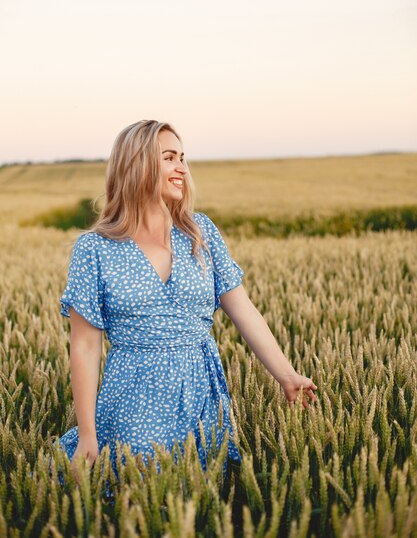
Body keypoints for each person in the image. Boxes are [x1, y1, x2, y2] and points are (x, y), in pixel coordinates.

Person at [55, 119, 317, 486]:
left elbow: (242, 308)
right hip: (134, 394)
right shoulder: (94, 249)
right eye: (169, 157)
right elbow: (84, 345)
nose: (182, 167)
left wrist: (287, 376)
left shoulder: (200, 232)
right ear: (137, 164)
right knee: (142, 492)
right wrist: (87, 433)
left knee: (202, 495)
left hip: (202, 392)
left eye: (183, 157)